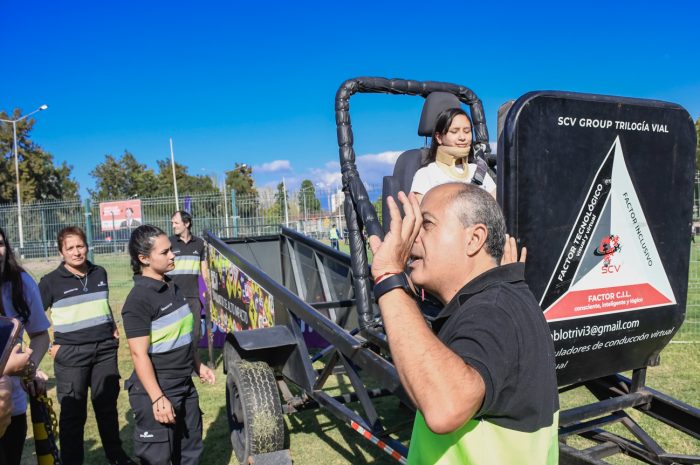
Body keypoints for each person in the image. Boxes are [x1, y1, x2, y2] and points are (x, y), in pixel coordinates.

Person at [368, 184, 558, 465]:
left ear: (474, 239)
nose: (411, 238)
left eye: (426, 224)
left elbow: (446, 407)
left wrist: (388, 277)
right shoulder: (499, 300)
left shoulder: (493, 311)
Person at [39, 226, 133, 465]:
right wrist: (50, 344)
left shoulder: (100, 272)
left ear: (87, 246)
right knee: (73, 414)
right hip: (70, 356)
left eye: (80, 246)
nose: (76, 252)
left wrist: (111, 326)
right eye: (70, 248)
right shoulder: (50, 282)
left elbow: (102, 303)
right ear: (61, 252)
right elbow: (34, 318)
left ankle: (116, 456)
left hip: (104, 351)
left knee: (107, 409)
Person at [122, 225, 215, 465]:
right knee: (159, 459)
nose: (172, 255)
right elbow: (138, 354)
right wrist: (157, 398)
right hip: (159, 389)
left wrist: (197, 365)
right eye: (164, 252)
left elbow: (183, 336)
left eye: (171, 250)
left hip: (184, 384)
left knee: (190, 453)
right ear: (143, 258)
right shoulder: (138, 300)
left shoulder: (172, 286)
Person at [0, 227, 51, 465]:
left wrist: (29, 367)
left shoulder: (20, 282)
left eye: (0, 244)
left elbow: (40, 335)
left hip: (12, 407)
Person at [410, 108, 496, 203]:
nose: (462, 137)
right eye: (454, 132)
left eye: (467, 131)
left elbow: (498, 211)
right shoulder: (426, 174)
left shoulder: (479, 171)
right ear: (439, 138)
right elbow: (420, 215)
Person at [168, 211, 208, 346]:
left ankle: (193, 360)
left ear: (187, 223)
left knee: (195, 332)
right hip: (173, 296)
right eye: (172, 223)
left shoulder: (200, 244)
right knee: (176, 333)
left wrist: (209, 291)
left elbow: (204, 271)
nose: (173, 226)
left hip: (193, 296)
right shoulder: (169, 243)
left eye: (176, 222)